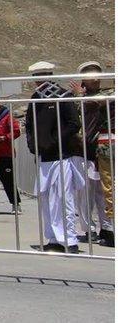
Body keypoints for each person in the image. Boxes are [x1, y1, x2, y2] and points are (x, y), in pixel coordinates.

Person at [25, 61, 83, 253]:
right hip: (44, 158)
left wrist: (55, 140)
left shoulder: (63, 96)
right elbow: (29, 126)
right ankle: (53, 238)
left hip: (61, 157)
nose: (40, 81)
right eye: (37, 77)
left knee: (63, 198)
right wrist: (33, 145)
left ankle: (70, 240)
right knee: (46, 198)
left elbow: (74, 123)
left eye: (44, 76)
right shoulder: (35, 98)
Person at [69, 60, 115, 247]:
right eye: (89, 75)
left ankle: (107, 228)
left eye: (96, 74)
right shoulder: (75, 98)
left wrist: (82, 97)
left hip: (101, 150)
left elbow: (103, 103)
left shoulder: (107, 95)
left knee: (102, 192)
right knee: (84, 192)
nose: (94, 78)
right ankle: (88, 229)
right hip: (82, 151)